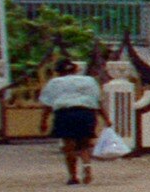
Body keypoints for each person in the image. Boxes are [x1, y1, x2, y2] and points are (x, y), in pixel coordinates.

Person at [40, 53, 104, 185]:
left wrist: (43, 122)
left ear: (58, 72)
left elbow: (47, 104)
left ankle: (73, 176)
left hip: (65, 113)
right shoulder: (88, 81)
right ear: (75, 69)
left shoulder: (54, 83)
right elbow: (98, 101)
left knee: (69, 146)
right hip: (86, 113)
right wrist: (106, 118)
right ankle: (87, 167)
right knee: (84, 144)